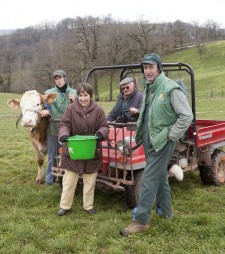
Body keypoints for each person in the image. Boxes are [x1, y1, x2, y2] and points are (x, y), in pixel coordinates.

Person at [120, 53, 193, 236]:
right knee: (160, 177)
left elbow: (186, 116)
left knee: (149, 180)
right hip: (149, 140)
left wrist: (171, 134)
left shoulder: (170, 88)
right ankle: (166, 213)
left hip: (163, 141)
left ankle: (141, 221)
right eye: (145, 68)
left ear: (159, 68)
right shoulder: (149, 88)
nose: (148, 71)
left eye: (151, 67)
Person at [57, 83, 109, 216]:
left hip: (91, 150)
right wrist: (64, 134)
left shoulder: (98, 110)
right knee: (69, 181)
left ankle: (88, 206)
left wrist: (100, 134)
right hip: (74, 150)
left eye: (85, 95)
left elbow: (104, 126)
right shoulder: (70, 109)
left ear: (90, 96)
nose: (83, 98)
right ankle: (64, 206)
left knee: (90, 181)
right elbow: (65, 124)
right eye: (80, 95)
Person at [40, 70, 77, 185]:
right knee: (52, 155)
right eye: (56, 79)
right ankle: (50, 181)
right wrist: (46, 110)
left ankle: (68, 180)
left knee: (71, 155)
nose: (58, 81)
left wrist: (74, 102)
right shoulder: (48, 93)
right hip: (53, 129)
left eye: (60, 78)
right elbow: (46, 107)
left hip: (71, 131)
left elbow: (80, 109)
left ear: (64, 78)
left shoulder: (74, 93)